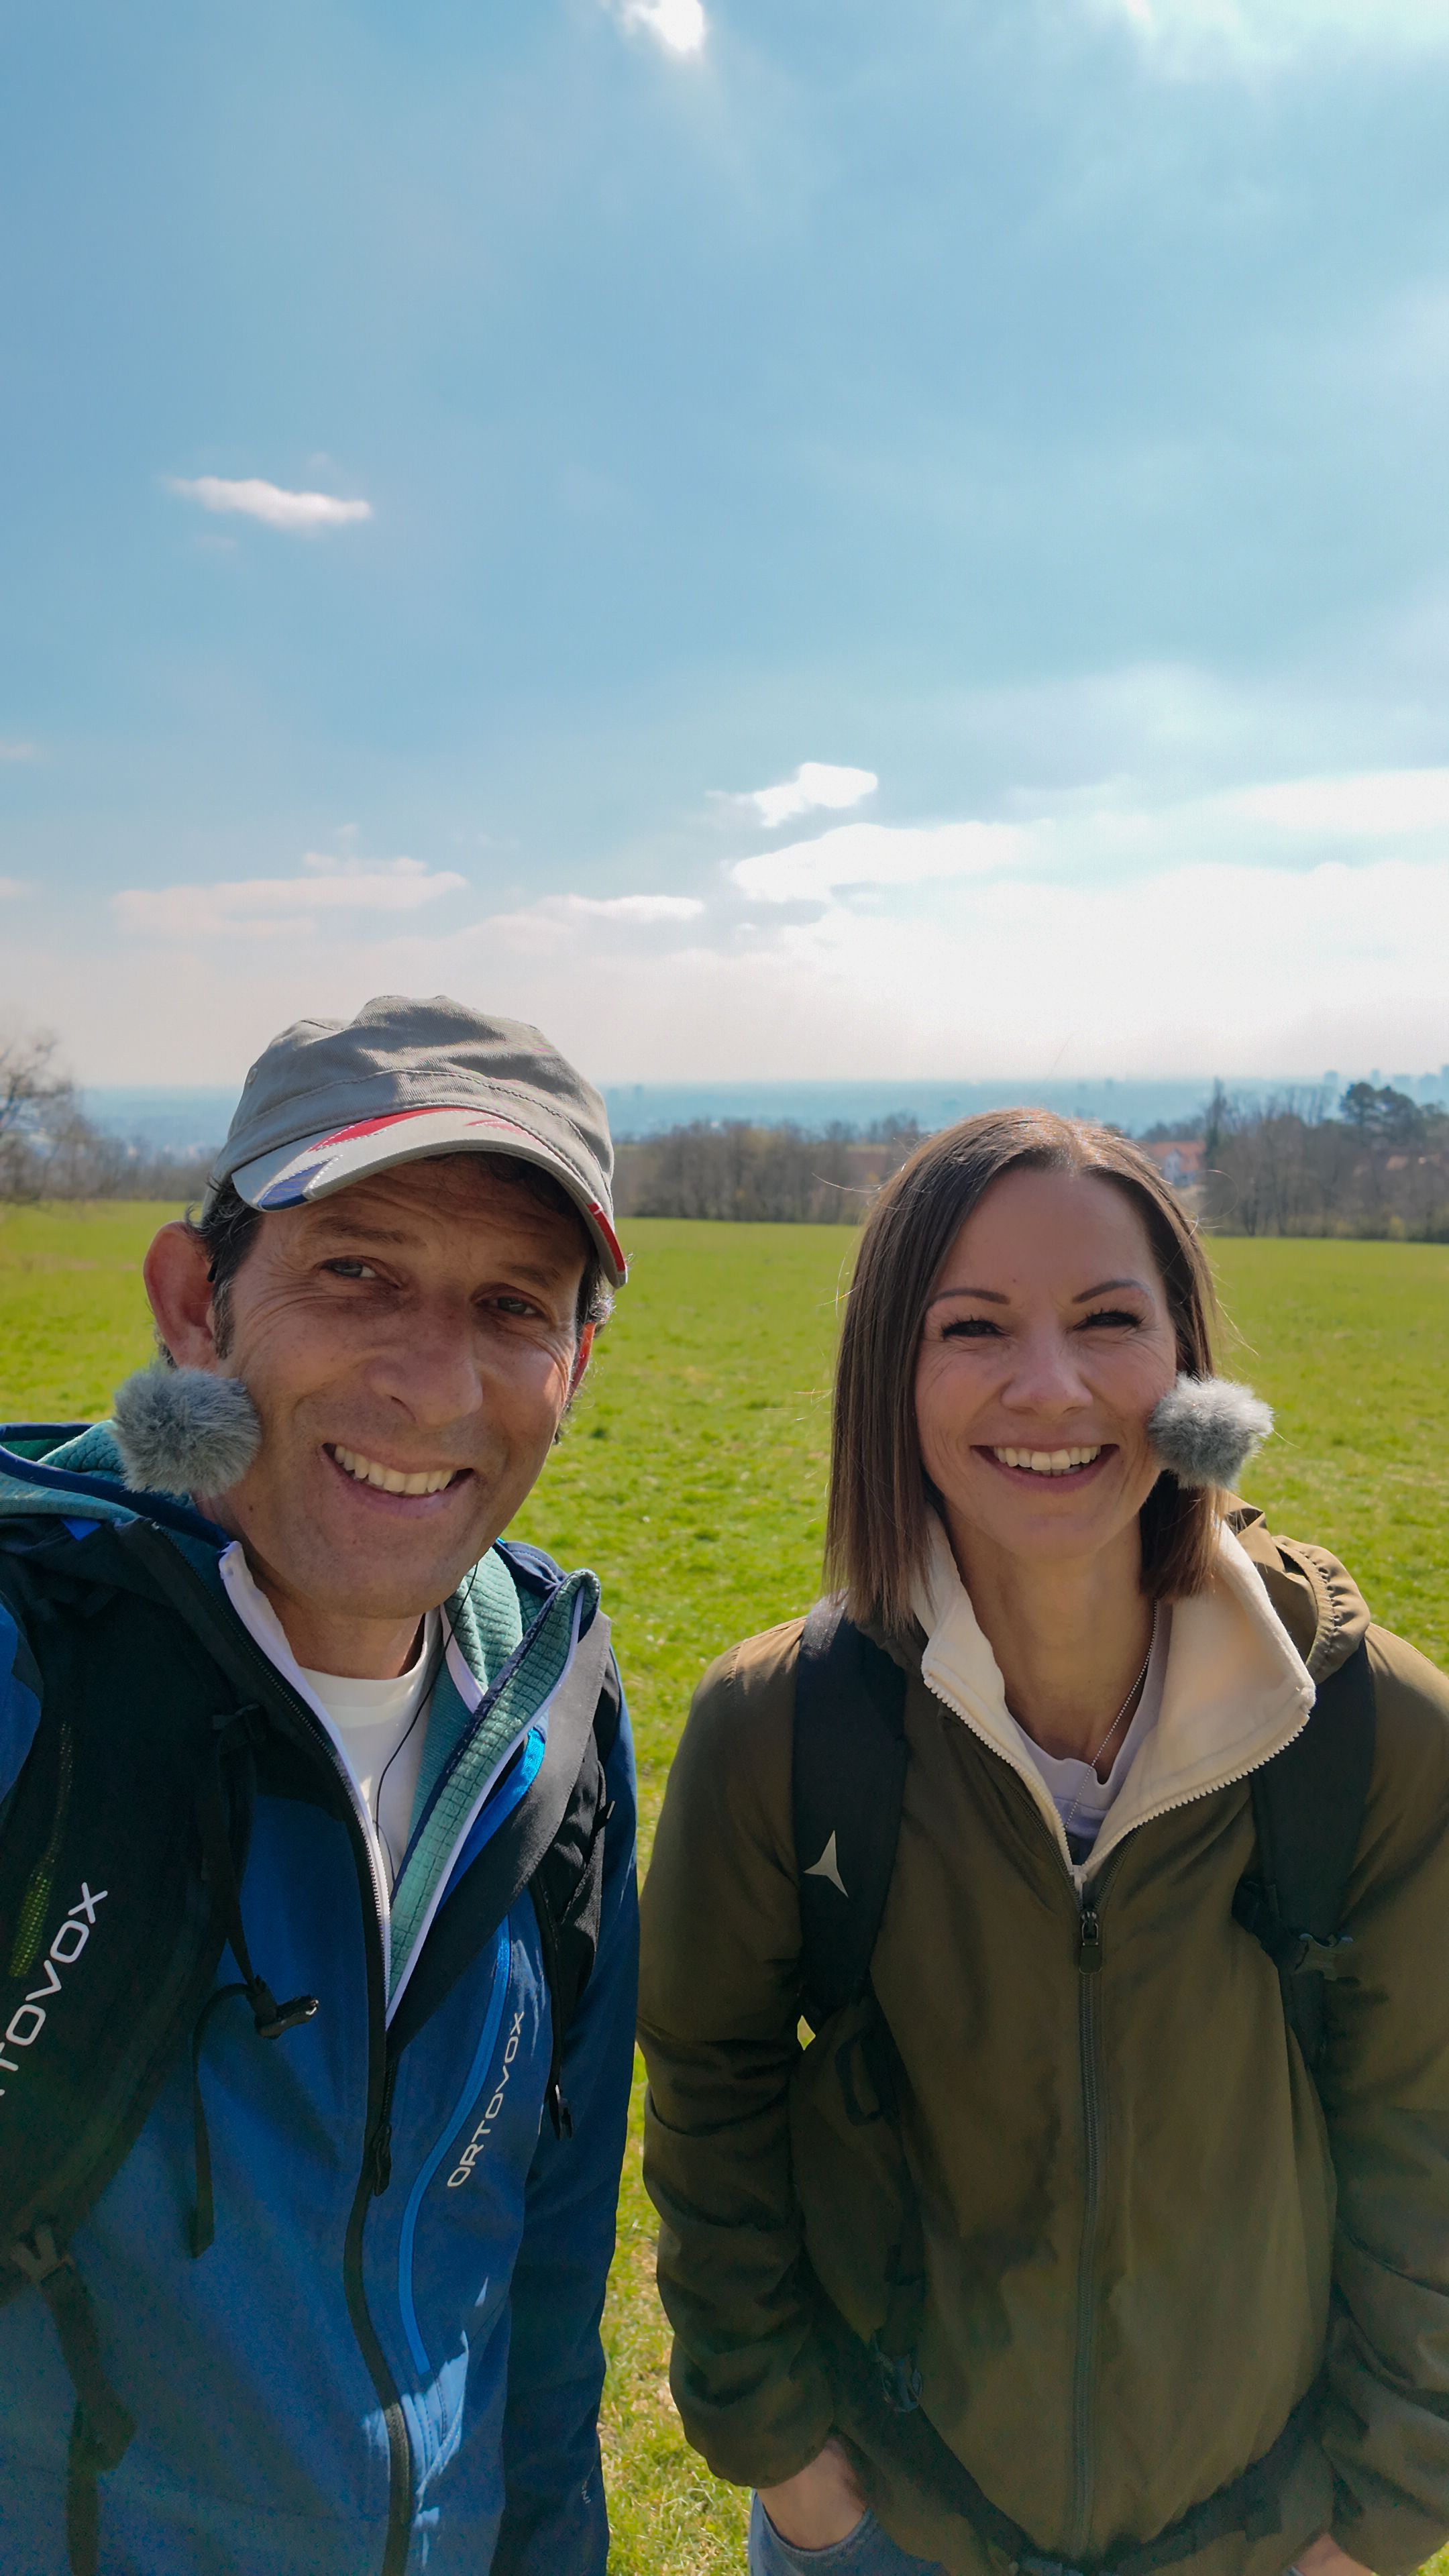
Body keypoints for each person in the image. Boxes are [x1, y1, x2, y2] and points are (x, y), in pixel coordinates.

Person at [638, 1109, 1449, 2576]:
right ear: (892, 1377)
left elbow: (1428, 2141)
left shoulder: (1376, 1732)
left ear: (1192, 1372)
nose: (1051, 1385)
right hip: (891, 2526)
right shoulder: (777, 1733)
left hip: (1265, 2539)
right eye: (974, 1327)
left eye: (1107, 1321)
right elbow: (710, 2091)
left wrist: (1377, 2521)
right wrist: (790, 2459)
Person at [0, 994, 638, 2576]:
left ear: (576, 1362)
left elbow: (548, 2286)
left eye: (513, 1306)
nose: (434, 1385)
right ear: (197, 1308)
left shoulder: (554, 1718)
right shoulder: (32, 1677)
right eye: (358, 1273)